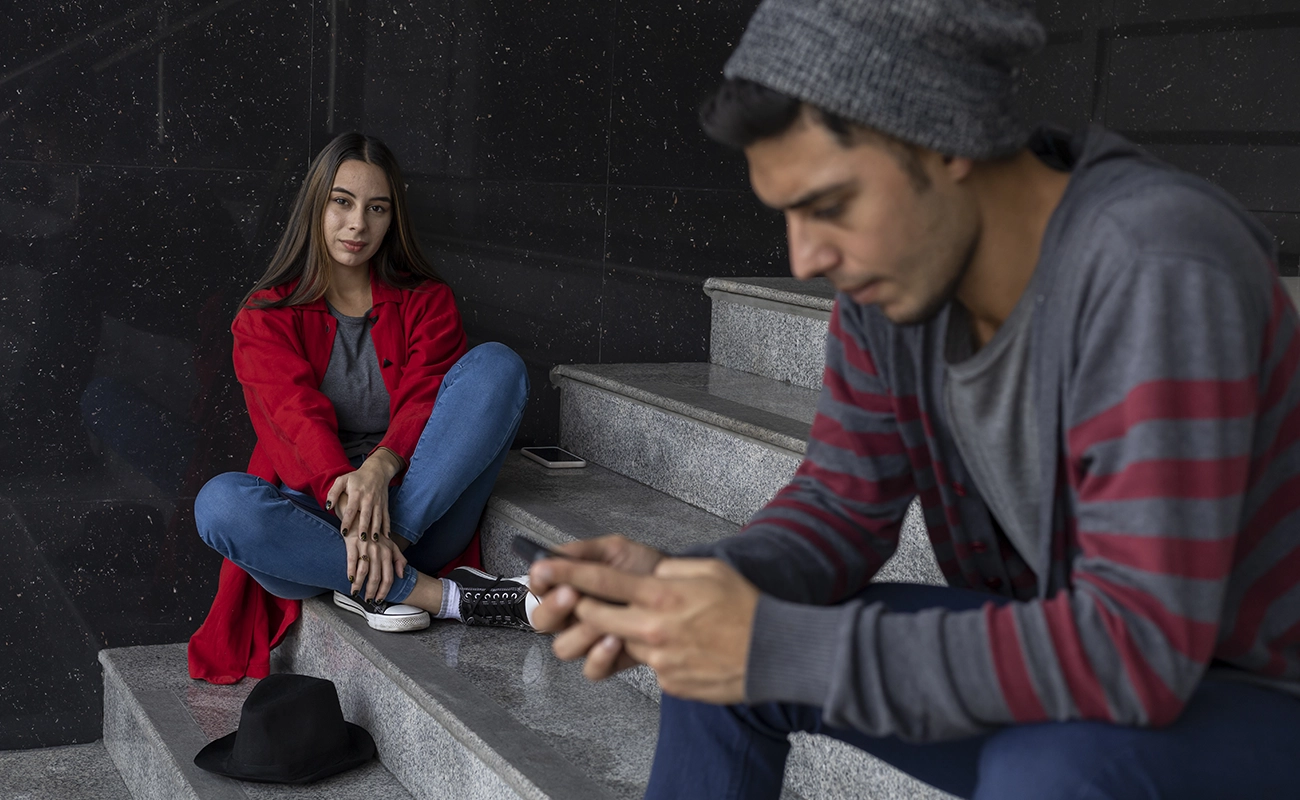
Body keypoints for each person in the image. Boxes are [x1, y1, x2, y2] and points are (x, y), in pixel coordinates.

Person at [528, 1, 1300, 797]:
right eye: (789, 215)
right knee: (710, 659)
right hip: (1085, 672)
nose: (806, 257)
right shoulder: (894, 287)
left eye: (830, 206)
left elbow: (1137, 649)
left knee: (1049, 770)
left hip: (1251, 701)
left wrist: (768, 642)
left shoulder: (1157, 265)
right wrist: (691, 591)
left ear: (948, 141)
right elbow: (839, 504)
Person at [190, 133, 536, 683]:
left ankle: (376, 569)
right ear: (316, 207)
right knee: (219, 504)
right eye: (342, 202)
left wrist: (381, 466)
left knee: (497, 366)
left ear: (392, 220)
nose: (358, 225)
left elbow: (427, 395)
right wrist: (348, 494)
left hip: (420, 515)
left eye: (377, 209)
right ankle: (436, 596)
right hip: (315, 530)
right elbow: (292, 418)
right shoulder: (264, 316)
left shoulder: (426, 300)